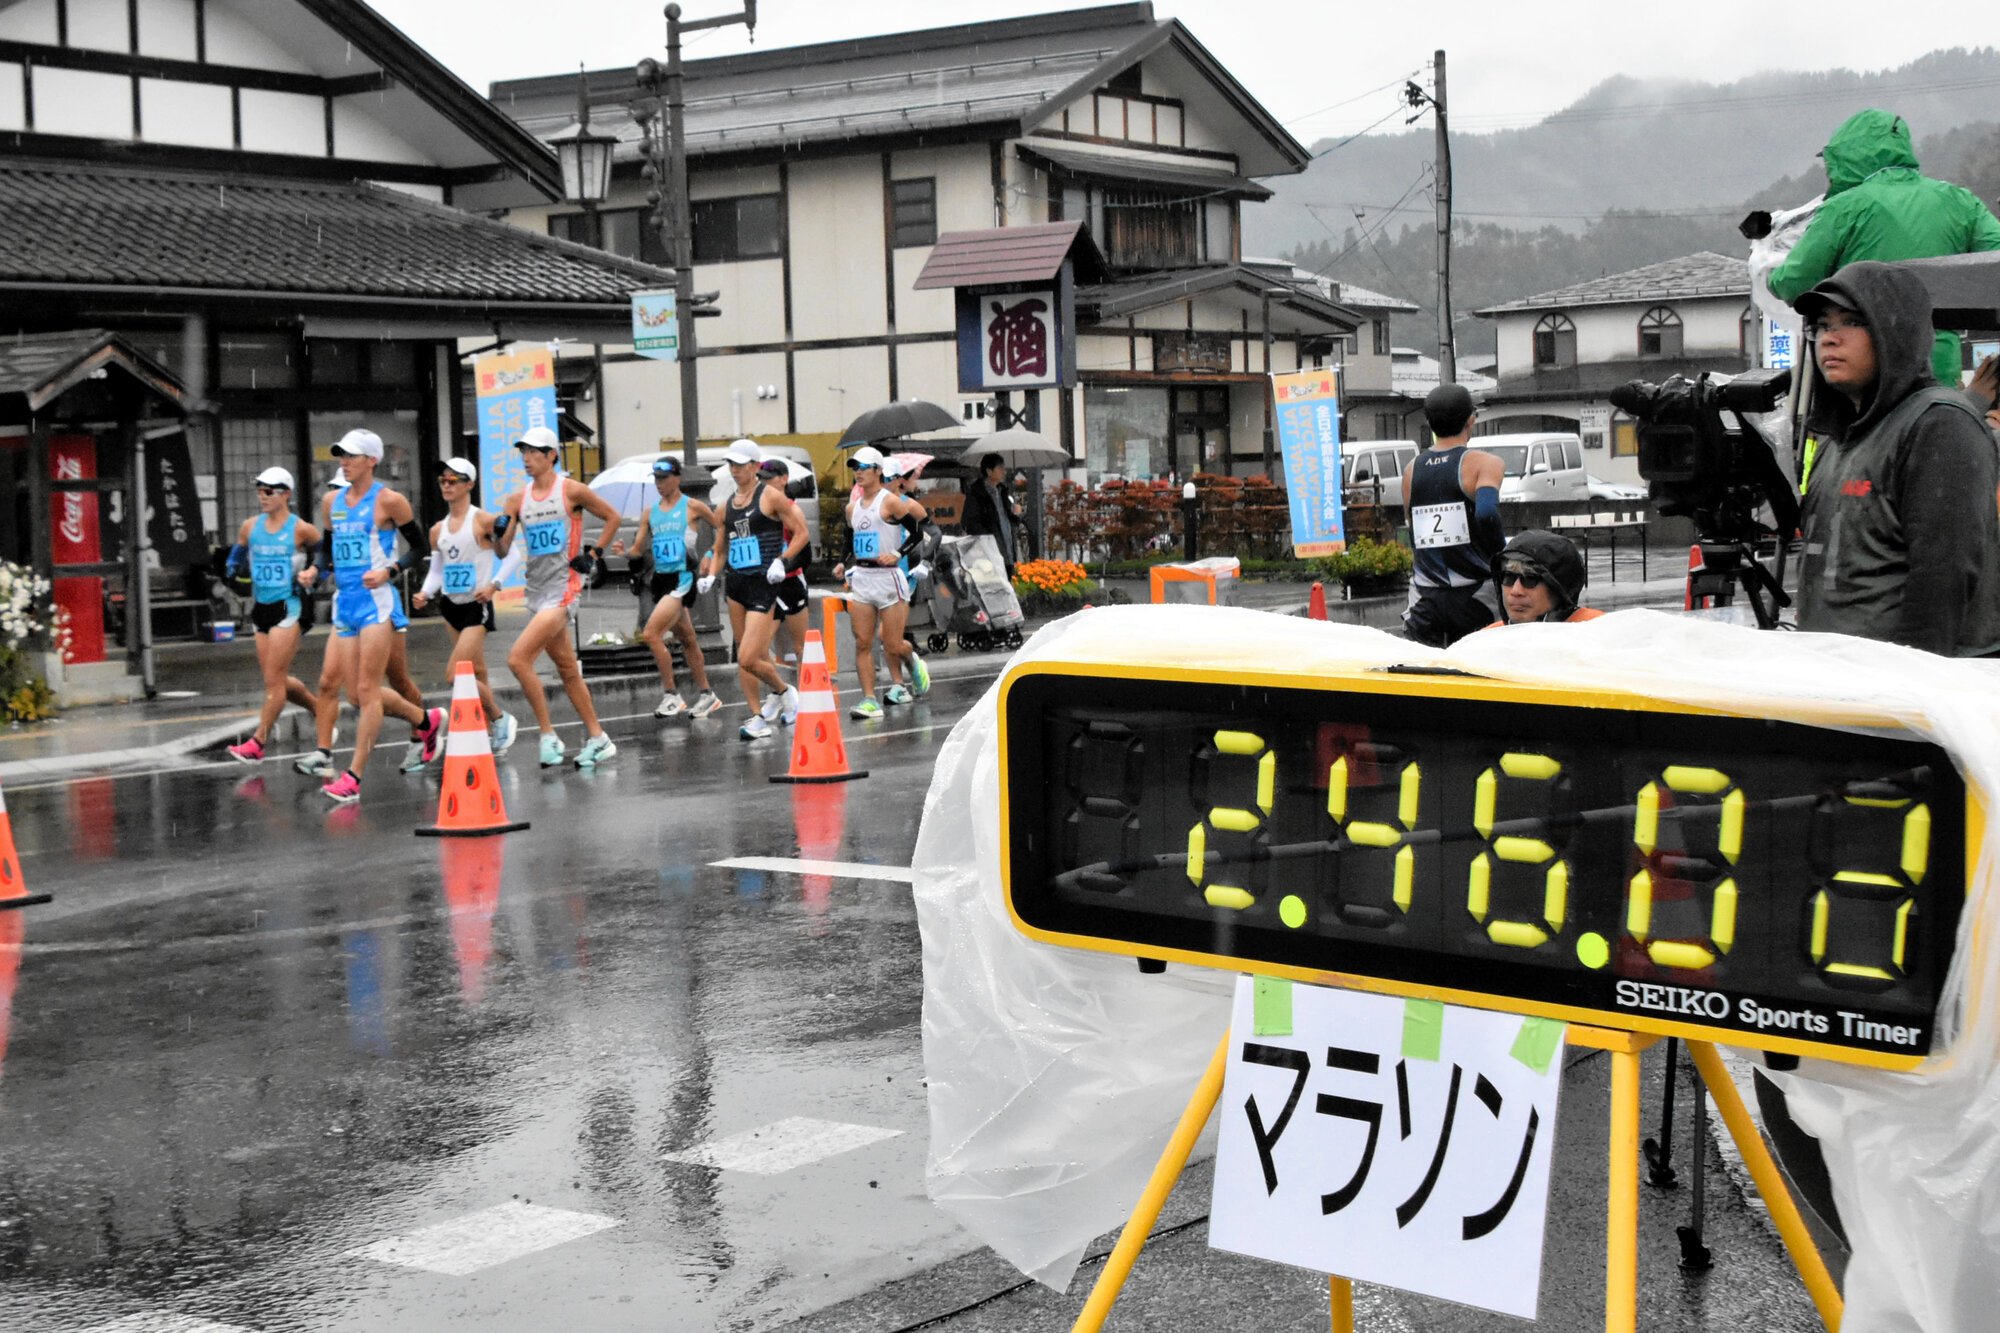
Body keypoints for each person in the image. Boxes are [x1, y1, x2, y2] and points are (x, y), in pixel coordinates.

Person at [1792, 261, 2000, 655]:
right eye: (1821, 325)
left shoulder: (1939, 423)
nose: (1829, 338)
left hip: (1905, 680)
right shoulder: (1837, 437)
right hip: (1833, 677)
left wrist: (1909, 683)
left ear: (1896, 331)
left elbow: (1944, 577)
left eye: (1851, 322)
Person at [1768, 109, 2000, 386]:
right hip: (1938, 365)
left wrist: (1770, 269)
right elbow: (1993, 263)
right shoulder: (1960, 201)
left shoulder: (1845, 207)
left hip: (1866, 367)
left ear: (1847, 157)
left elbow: (1793, 282)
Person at [311, 429, 445, 804]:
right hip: (345, 603)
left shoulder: (390, 501)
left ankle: (353, 778)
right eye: (341, 455)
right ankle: (426, 720)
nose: (344, 462)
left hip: (376, 603)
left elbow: (419, 547)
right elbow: (327, 549)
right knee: (354, 695)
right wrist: (315, 570)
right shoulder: (331, 502)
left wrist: (389, 571)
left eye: (351, 456)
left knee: (369, 691)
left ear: (372, 460)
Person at [490, 424, 623, 768]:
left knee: (518, 660)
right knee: (567, 669)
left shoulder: (572, 490)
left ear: (551, 455)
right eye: (523, 452)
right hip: (536, 592)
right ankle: (599, 738)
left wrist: (593, 554)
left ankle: (548, 735)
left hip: (564, 590)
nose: (526, 458)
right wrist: (496, 535)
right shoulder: (516, 500)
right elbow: (502, 552)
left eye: (534, 452)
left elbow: (612, 517)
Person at [700, 438, 806, 740]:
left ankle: (784, 691)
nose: (734, 470)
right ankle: (757, 716)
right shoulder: (726, 506)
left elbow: (801, 533)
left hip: (763, 584)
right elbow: (721, 548)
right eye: (731, 465)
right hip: (736, 585)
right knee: (744, 658)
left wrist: (782, 561)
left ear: (755, 466)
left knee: (749, 656)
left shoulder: (770, 496)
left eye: (740, 465)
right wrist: (712, 574)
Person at [410, 456, 517, 752]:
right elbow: (437, 570)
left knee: (455, 675)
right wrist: (425, 593)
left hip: (475, 606)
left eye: (453, 480)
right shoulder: (437, 530)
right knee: (477, 672)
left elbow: (513, 555)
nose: (446, 485)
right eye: (442, 481)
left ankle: (500, 718)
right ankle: (487, 734)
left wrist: (493, 585)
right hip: (450, 606)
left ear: (469, 485)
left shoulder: (482, 520)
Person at [224, 467, 323, 763]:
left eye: (269, 491)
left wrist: (313, 573)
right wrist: (233, 570)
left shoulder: (301, 529)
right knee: (276, 679)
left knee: (274, 681)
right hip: (261, 608)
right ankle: (321, 711)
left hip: (289, 606)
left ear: (286, 494)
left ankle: (258, 742)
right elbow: (236, 555)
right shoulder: (250, 526)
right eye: (259, 491)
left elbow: (326, 555)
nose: (262, 496)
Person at [616, 455, 722, 719]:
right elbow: (638, 549)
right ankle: (707, 694)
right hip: (661, 580)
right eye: (656, 479)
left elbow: (722, 529)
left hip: (683, 579)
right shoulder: (650, 513)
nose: (659, 483)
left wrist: (710, 553)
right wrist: (624, 553)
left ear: (677, 478)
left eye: (663, 478)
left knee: (651, 634)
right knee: (688, 639)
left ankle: (671, 695)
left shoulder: (693, 506)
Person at [1399, 383, 1505, 646]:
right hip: (1477, 592)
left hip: (1425, 595)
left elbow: (1412, 526)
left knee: (1424, 668)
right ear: (1471, 419)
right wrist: (1502, 559)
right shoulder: (1485, 463)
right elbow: (1487, 513)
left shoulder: (1412, 469)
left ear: (1429, 423)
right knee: (1480, 666)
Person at [835, 445, 931, 721]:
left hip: (889, 579)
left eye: (864, 468)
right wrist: (842, 562)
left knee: (892, 645)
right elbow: (849, 538)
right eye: (855, 468)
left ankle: (911, 660)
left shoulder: (890, 502)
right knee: (862, 643)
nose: (858, 473)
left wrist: (898, 554)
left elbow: (917, 532)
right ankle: (869, 700)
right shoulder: (852, 508)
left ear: (878, 471)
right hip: (863, 579)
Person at [760, 455, 812, 676]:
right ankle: (779, 690)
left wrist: (782, 568)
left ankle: (807, 687)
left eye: (769, 478)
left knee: (801, 646)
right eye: (762, 479)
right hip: (767, 584)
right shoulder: (760, 510)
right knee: (760, 645)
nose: (765, 483)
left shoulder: (793, 510)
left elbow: (806, 555)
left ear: (783, 479)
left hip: (791, 583)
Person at [1485, 531, 1603, 626]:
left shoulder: (1598, 631)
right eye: (1508, 577)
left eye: (1530, 579)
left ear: (1558, 589)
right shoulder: (1487, 639)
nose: (1516, 591)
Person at [960, 451, 1021, 571]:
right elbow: (969, 523)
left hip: (1007, 549)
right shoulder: (977, 493)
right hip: (989, 553)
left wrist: (1015, 514)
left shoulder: (1002, 491)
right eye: (1000, 468)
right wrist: (990, 538)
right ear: (989, 471)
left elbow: (1009, 519)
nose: (1004, 472)